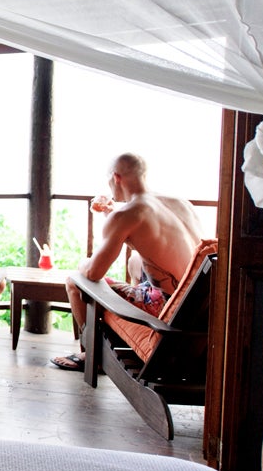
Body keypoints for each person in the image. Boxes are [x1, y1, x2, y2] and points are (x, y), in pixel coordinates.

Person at [52, 153, 203, 371]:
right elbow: (143, 231)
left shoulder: (128, 215)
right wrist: (111, 213)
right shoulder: (180, 203)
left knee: (74, 282)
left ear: (116, 177)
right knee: (134, 261)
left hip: (168, 309)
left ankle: (91, 355)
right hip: (194, 303)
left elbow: (94, 272)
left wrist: (83, 264)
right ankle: (120, 337)